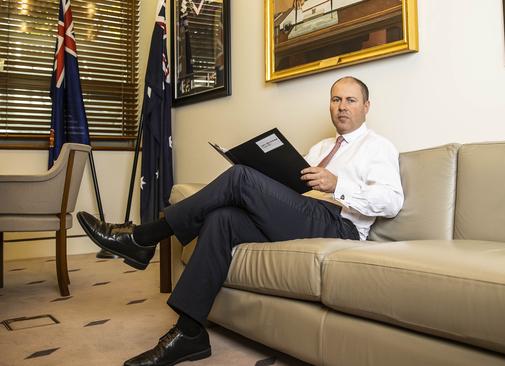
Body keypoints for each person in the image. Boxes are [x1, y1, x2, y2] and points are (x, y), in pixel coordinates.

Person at [77, 76, 404, 366]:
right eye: (336, 99)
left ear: (366, 106)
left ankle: (143, 238)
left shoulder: (378, 147)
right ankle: (190, 333)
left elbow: (391, 201)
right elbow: (295, 191)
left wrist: (338, 185)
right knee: (223, 218)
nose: (342, 107)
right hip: (302, 217)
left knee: (240, 177)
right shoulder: (319, 148)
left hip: (339, 226)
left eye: (350, 100)